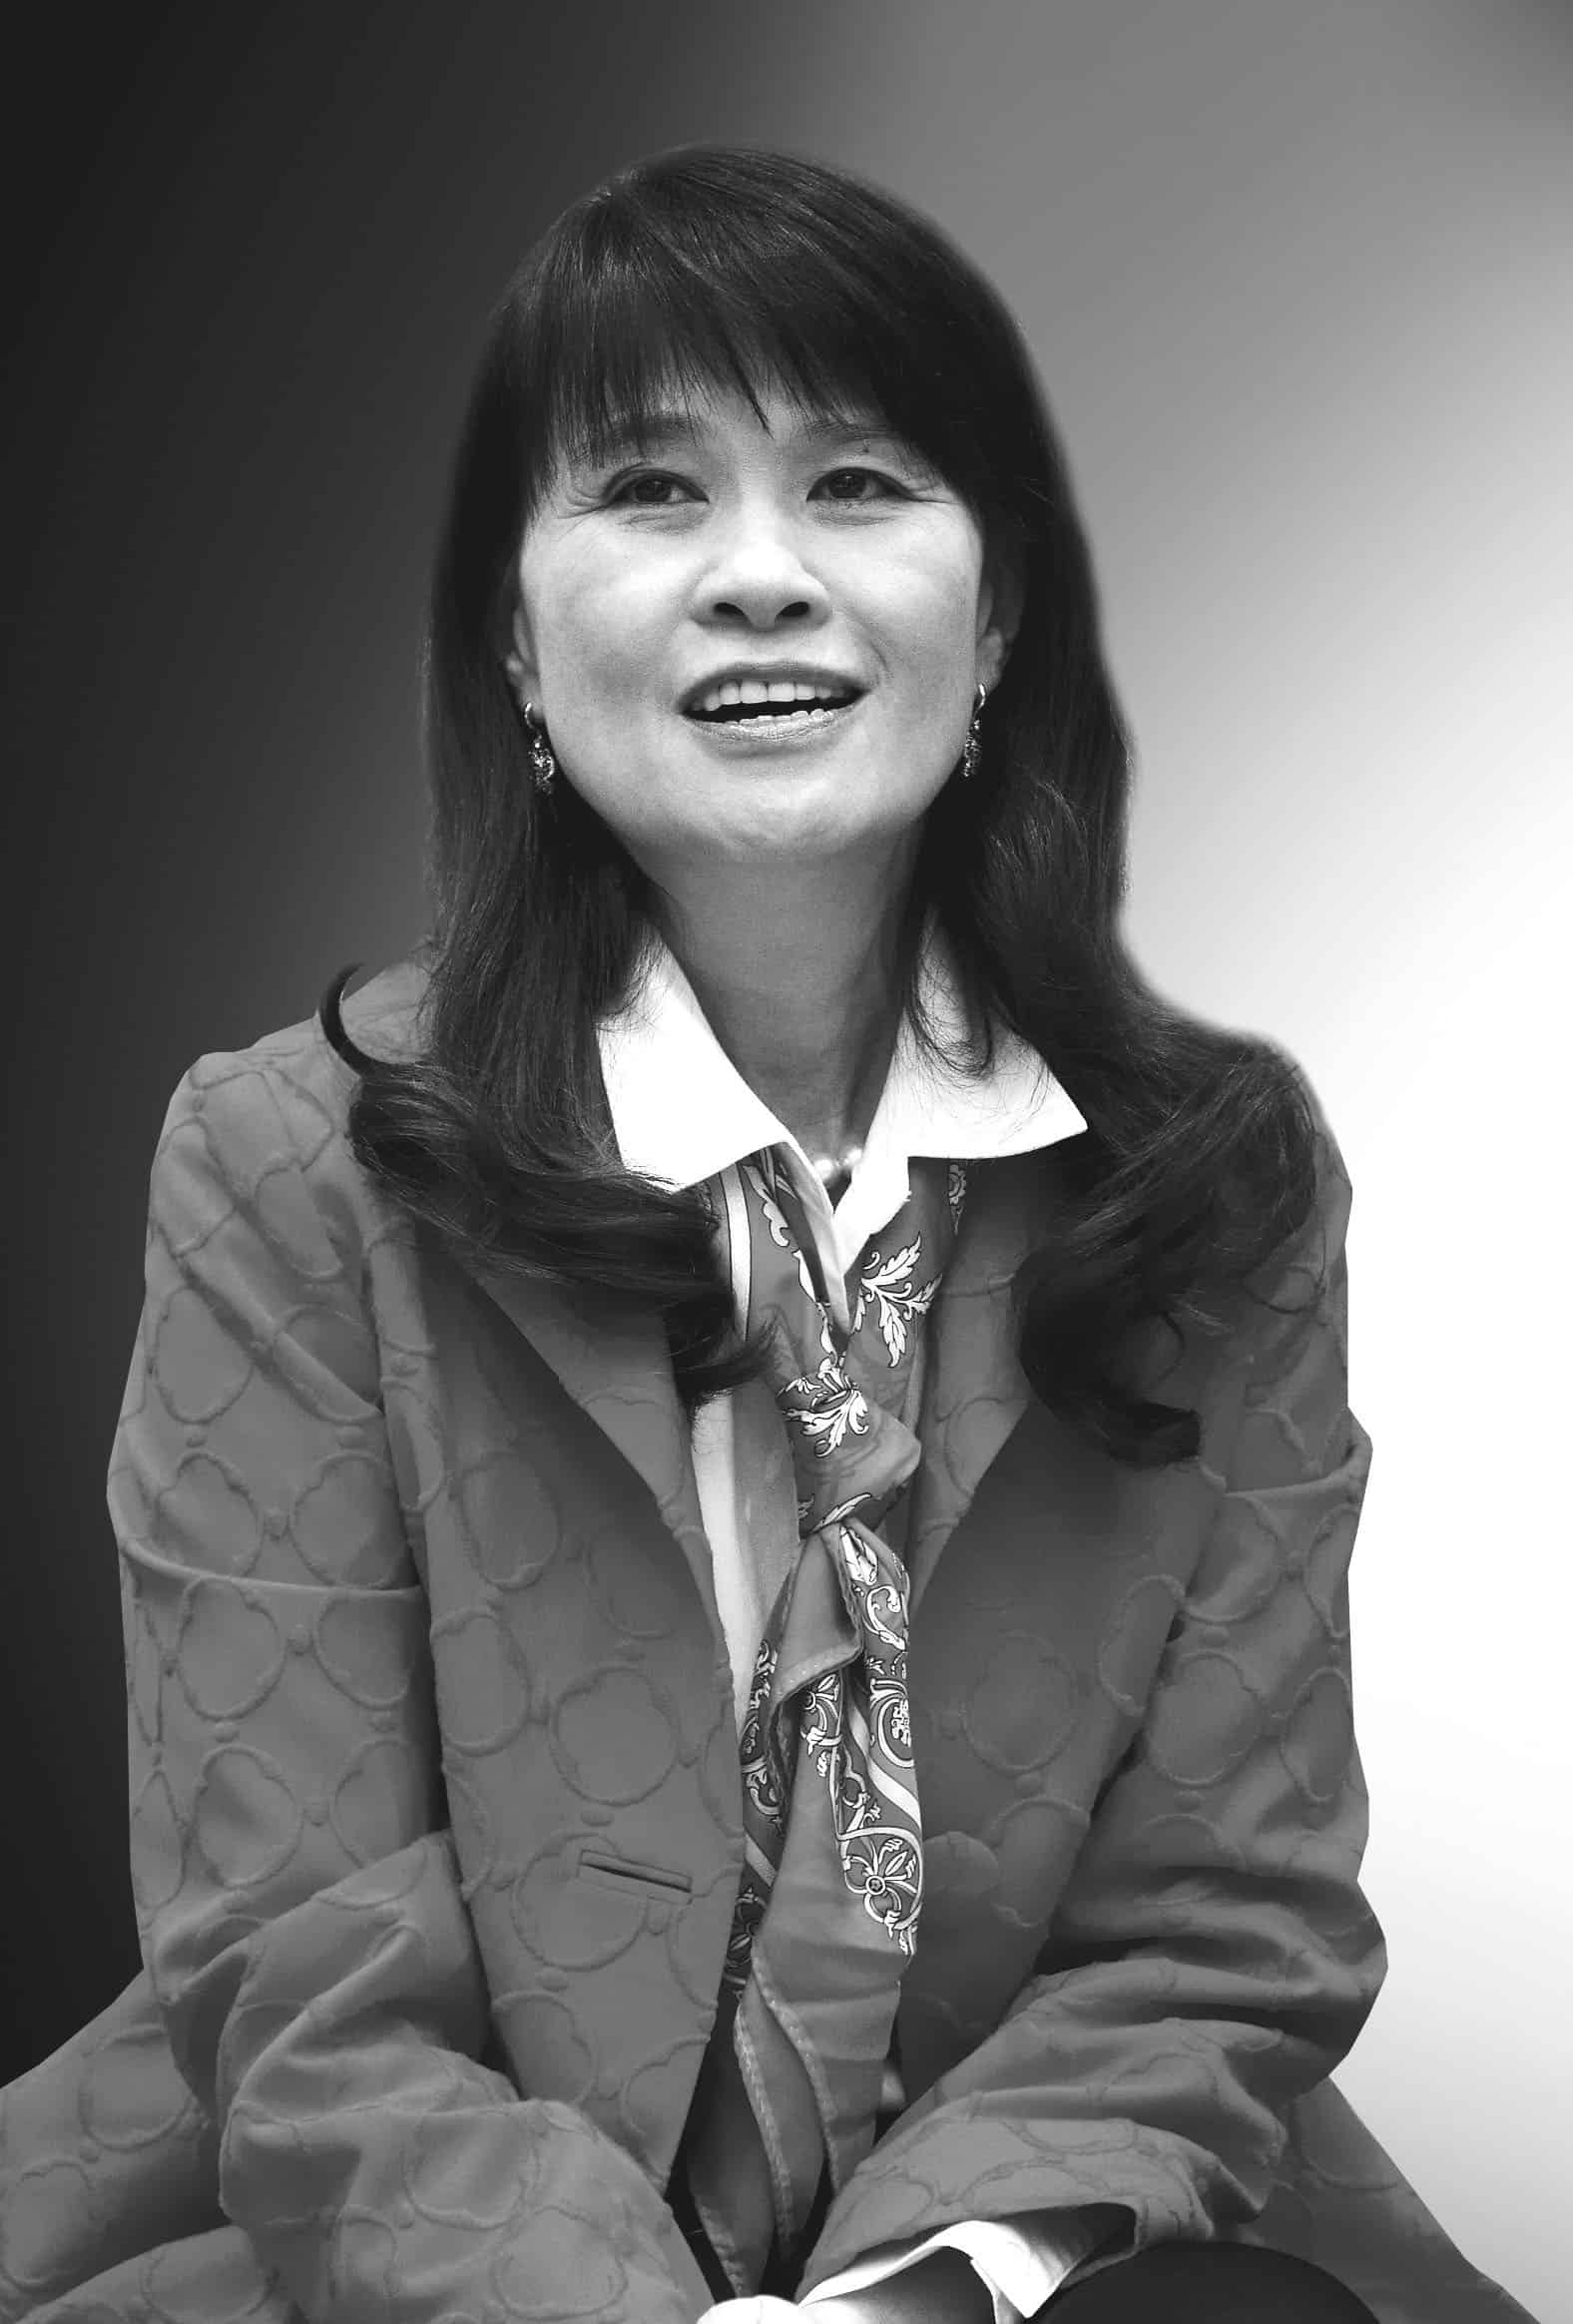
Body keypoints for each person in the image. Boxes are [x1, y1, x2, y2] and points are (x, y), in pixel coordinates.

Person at [0, 147, 1536, 2324]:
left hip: (1017, 2256)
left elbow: (1218, 1931)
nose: (759, 576)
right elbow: (299, 1967)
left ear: (993, 619)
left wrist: (920, 2297)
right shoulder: (291, 1164)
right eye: (649, 490)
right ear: (514, 645)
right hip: (405, 2259)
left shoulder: (1217, 1185)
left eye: (857, 483)